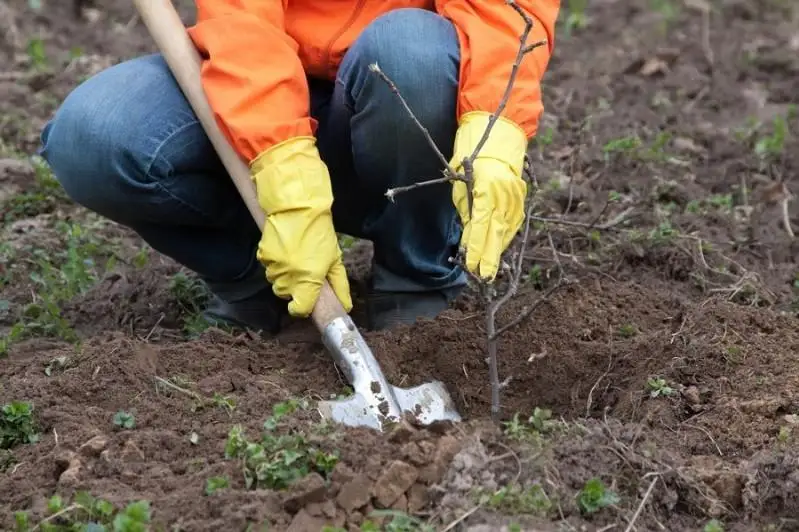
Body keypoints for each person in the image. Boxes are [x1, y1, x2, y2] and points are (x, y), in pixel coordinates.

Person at [39, 1, 559, 335]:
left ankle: (416, 280)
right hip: (259, 85)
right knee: (96, 134)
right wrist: (282, 165)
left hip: (397, 100)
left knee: (412, 55)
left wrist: (494, 119)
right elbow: (245, 27)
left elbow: (502, 10)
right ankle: (257, 286)